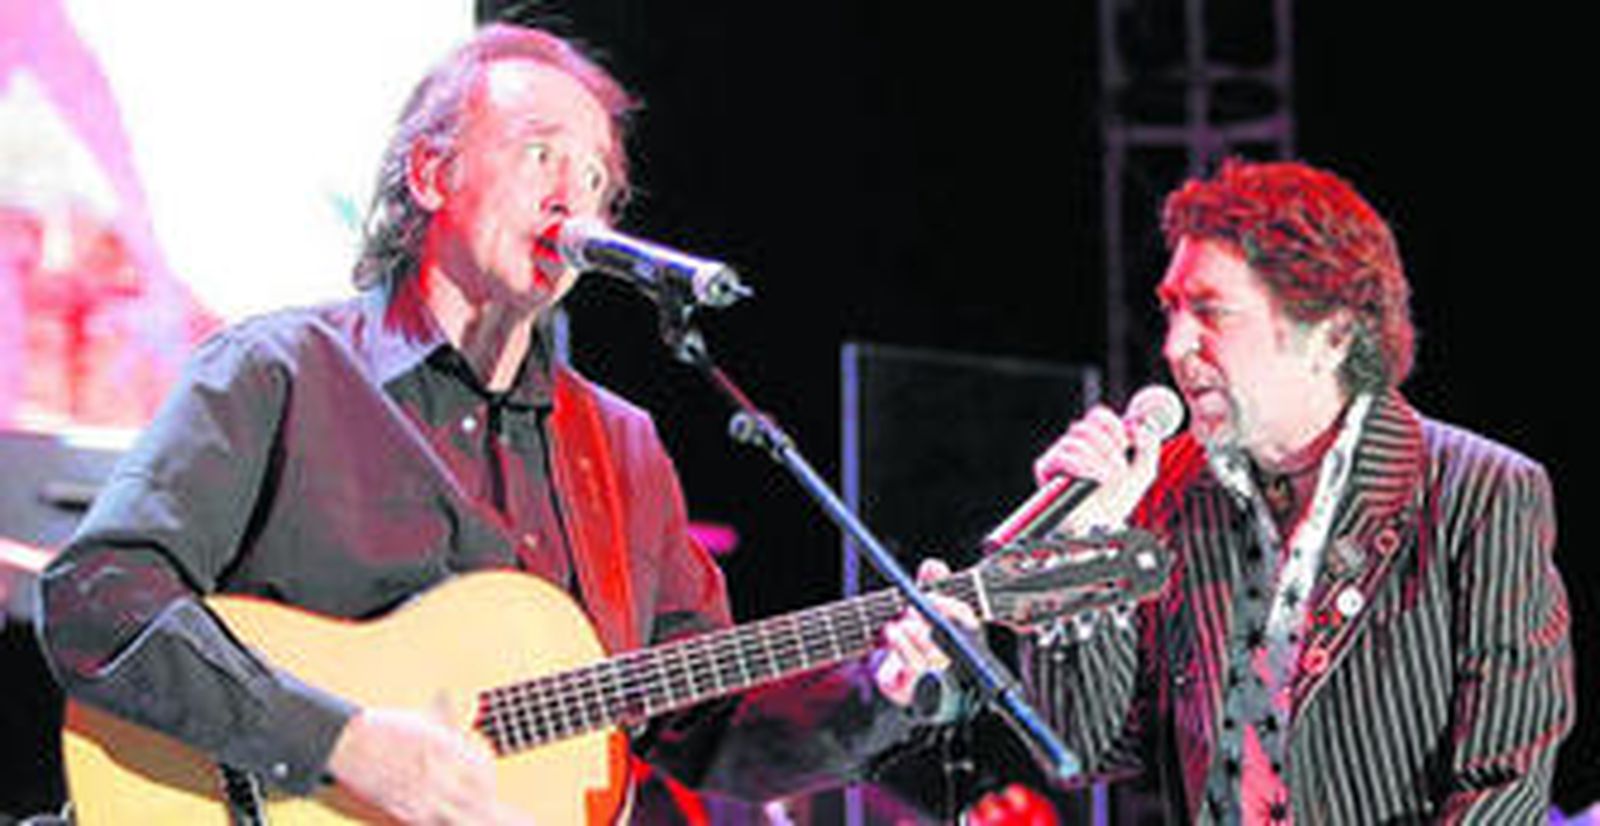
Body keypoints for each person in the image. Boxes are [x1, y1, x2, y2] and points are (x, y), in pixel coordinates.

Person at [34, 23, 958, 824]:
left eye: (597, 176)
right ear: (433, 172)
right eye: (540, 151)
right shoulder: (281, 371)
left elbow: (703, 727)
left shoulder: (621, 448)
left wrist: (873, 694)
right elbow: (96, 599)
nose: (575, 195)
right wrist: (340, 744)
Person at [1019, 160, 1573, 822]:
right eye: (1171, 310)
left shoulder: (1480, 492)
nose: (1174, 345)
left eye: (1211, 312)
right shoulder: (1165, 492)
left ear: (1333, 334)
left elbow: (1502, 781)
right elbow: (1086, 748)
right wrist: (1085, 554)